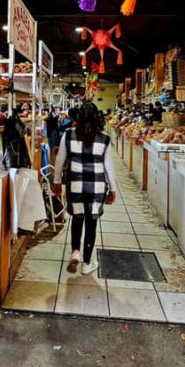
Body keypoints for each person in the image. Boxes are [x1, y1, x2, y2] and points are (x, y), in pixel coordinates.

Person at [53, 101, 116, 275]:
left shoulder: (69, 134)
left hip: (75, 184)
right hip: (96, 186)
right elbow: (109, 166)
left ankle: (75, 252)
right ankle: (87, 263)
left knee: (77, 217)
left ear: (79, 117)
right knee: (91, 223)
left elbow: (59, 160)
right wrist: (113, 188)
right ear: (97, 118)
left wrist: (56, 181)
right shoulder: (104, 138)